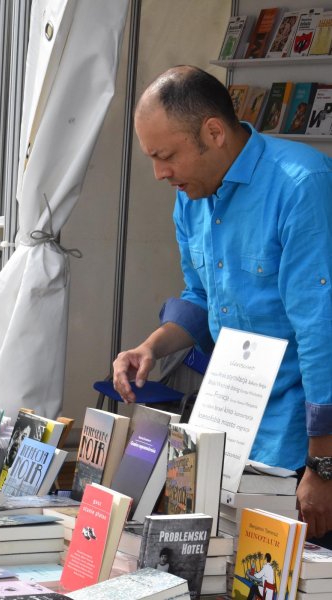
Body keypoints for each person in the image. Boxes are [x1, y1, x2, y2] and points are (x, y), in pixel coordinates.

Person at [112, 66, 332, 543]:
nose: (159, 173)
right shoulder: (192, 197)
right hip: (227, 430)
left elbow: (322, 329)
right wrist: (153, 346)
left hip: (298, 446)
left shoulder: (301, 185)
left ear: (213, 132)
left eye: (166, 155)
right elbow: (202, 298)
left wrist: (324, 465)